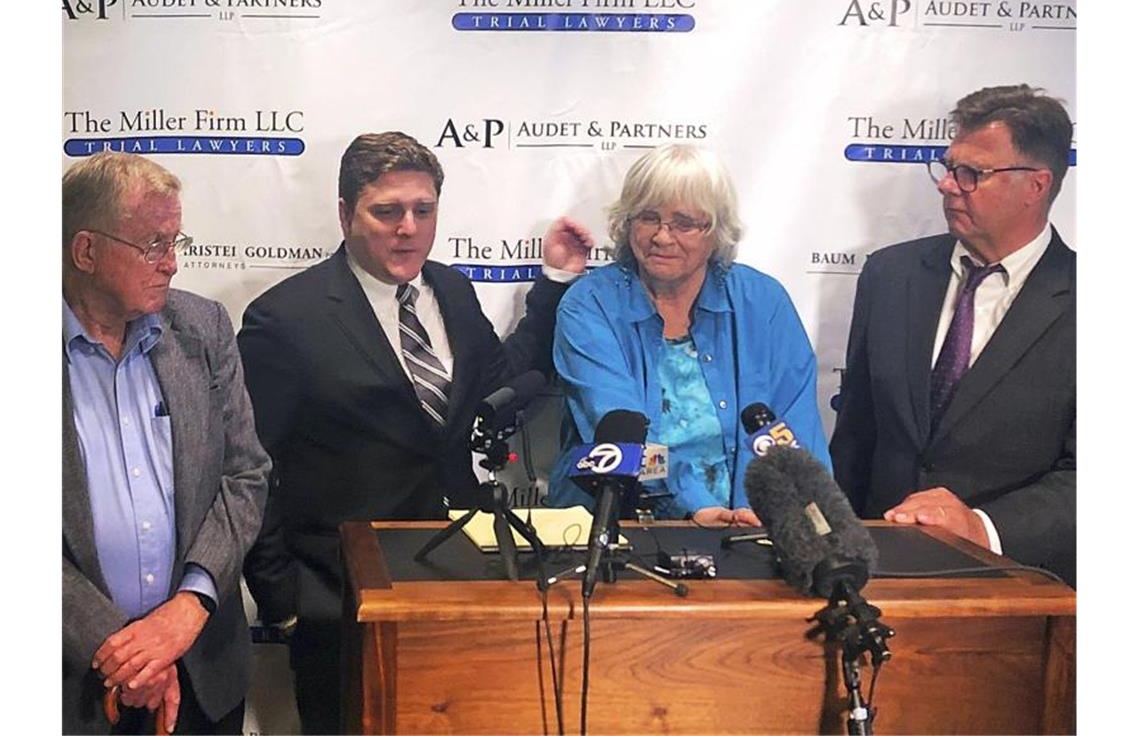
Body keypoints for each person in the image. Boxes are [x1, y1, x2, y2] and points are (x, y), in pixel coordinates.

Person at [237, 131, 594, 733]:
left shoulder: (451, 290)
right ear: (347, 214)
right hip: (344, 603)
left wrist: (555, 285)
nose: (408, 227)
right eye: (387, 211)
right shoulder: (284, 319)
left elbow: (503, 383)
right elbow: (251, 471)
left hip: (459, 582)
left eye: (422, 211)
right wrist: (287, 605)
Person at [830, 84, 1075, 585]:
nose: (947, 186)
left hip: (1020, 594)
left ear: (1036, 185)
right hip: (877, 580)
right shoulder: (889, 275)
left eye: (972, 174)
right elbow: (856, 435)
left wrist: (981, 526)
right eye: (948, 168)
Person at [62, 151, 271, 733]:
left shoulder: (202, 329)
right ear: (86, 251)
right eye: (154, 245)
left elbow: (246, 474)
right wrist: (123, 651)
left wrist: (189, 605)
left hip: (202, 671)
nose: (172, 264)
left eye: (176, 241)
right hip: (70, 683)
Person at [546, 144, 831, 524]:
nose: (662, 237)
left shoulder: (764, 302)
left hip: (758, 521)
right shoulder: (590, 306)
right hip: (625, 521)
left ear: (716, 231)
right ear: (626, 222)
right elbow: (618, 437)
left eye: (684, 223)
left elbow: (794, 430)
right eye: (648, 218)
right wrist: (694, 504)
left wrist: (759, 514)